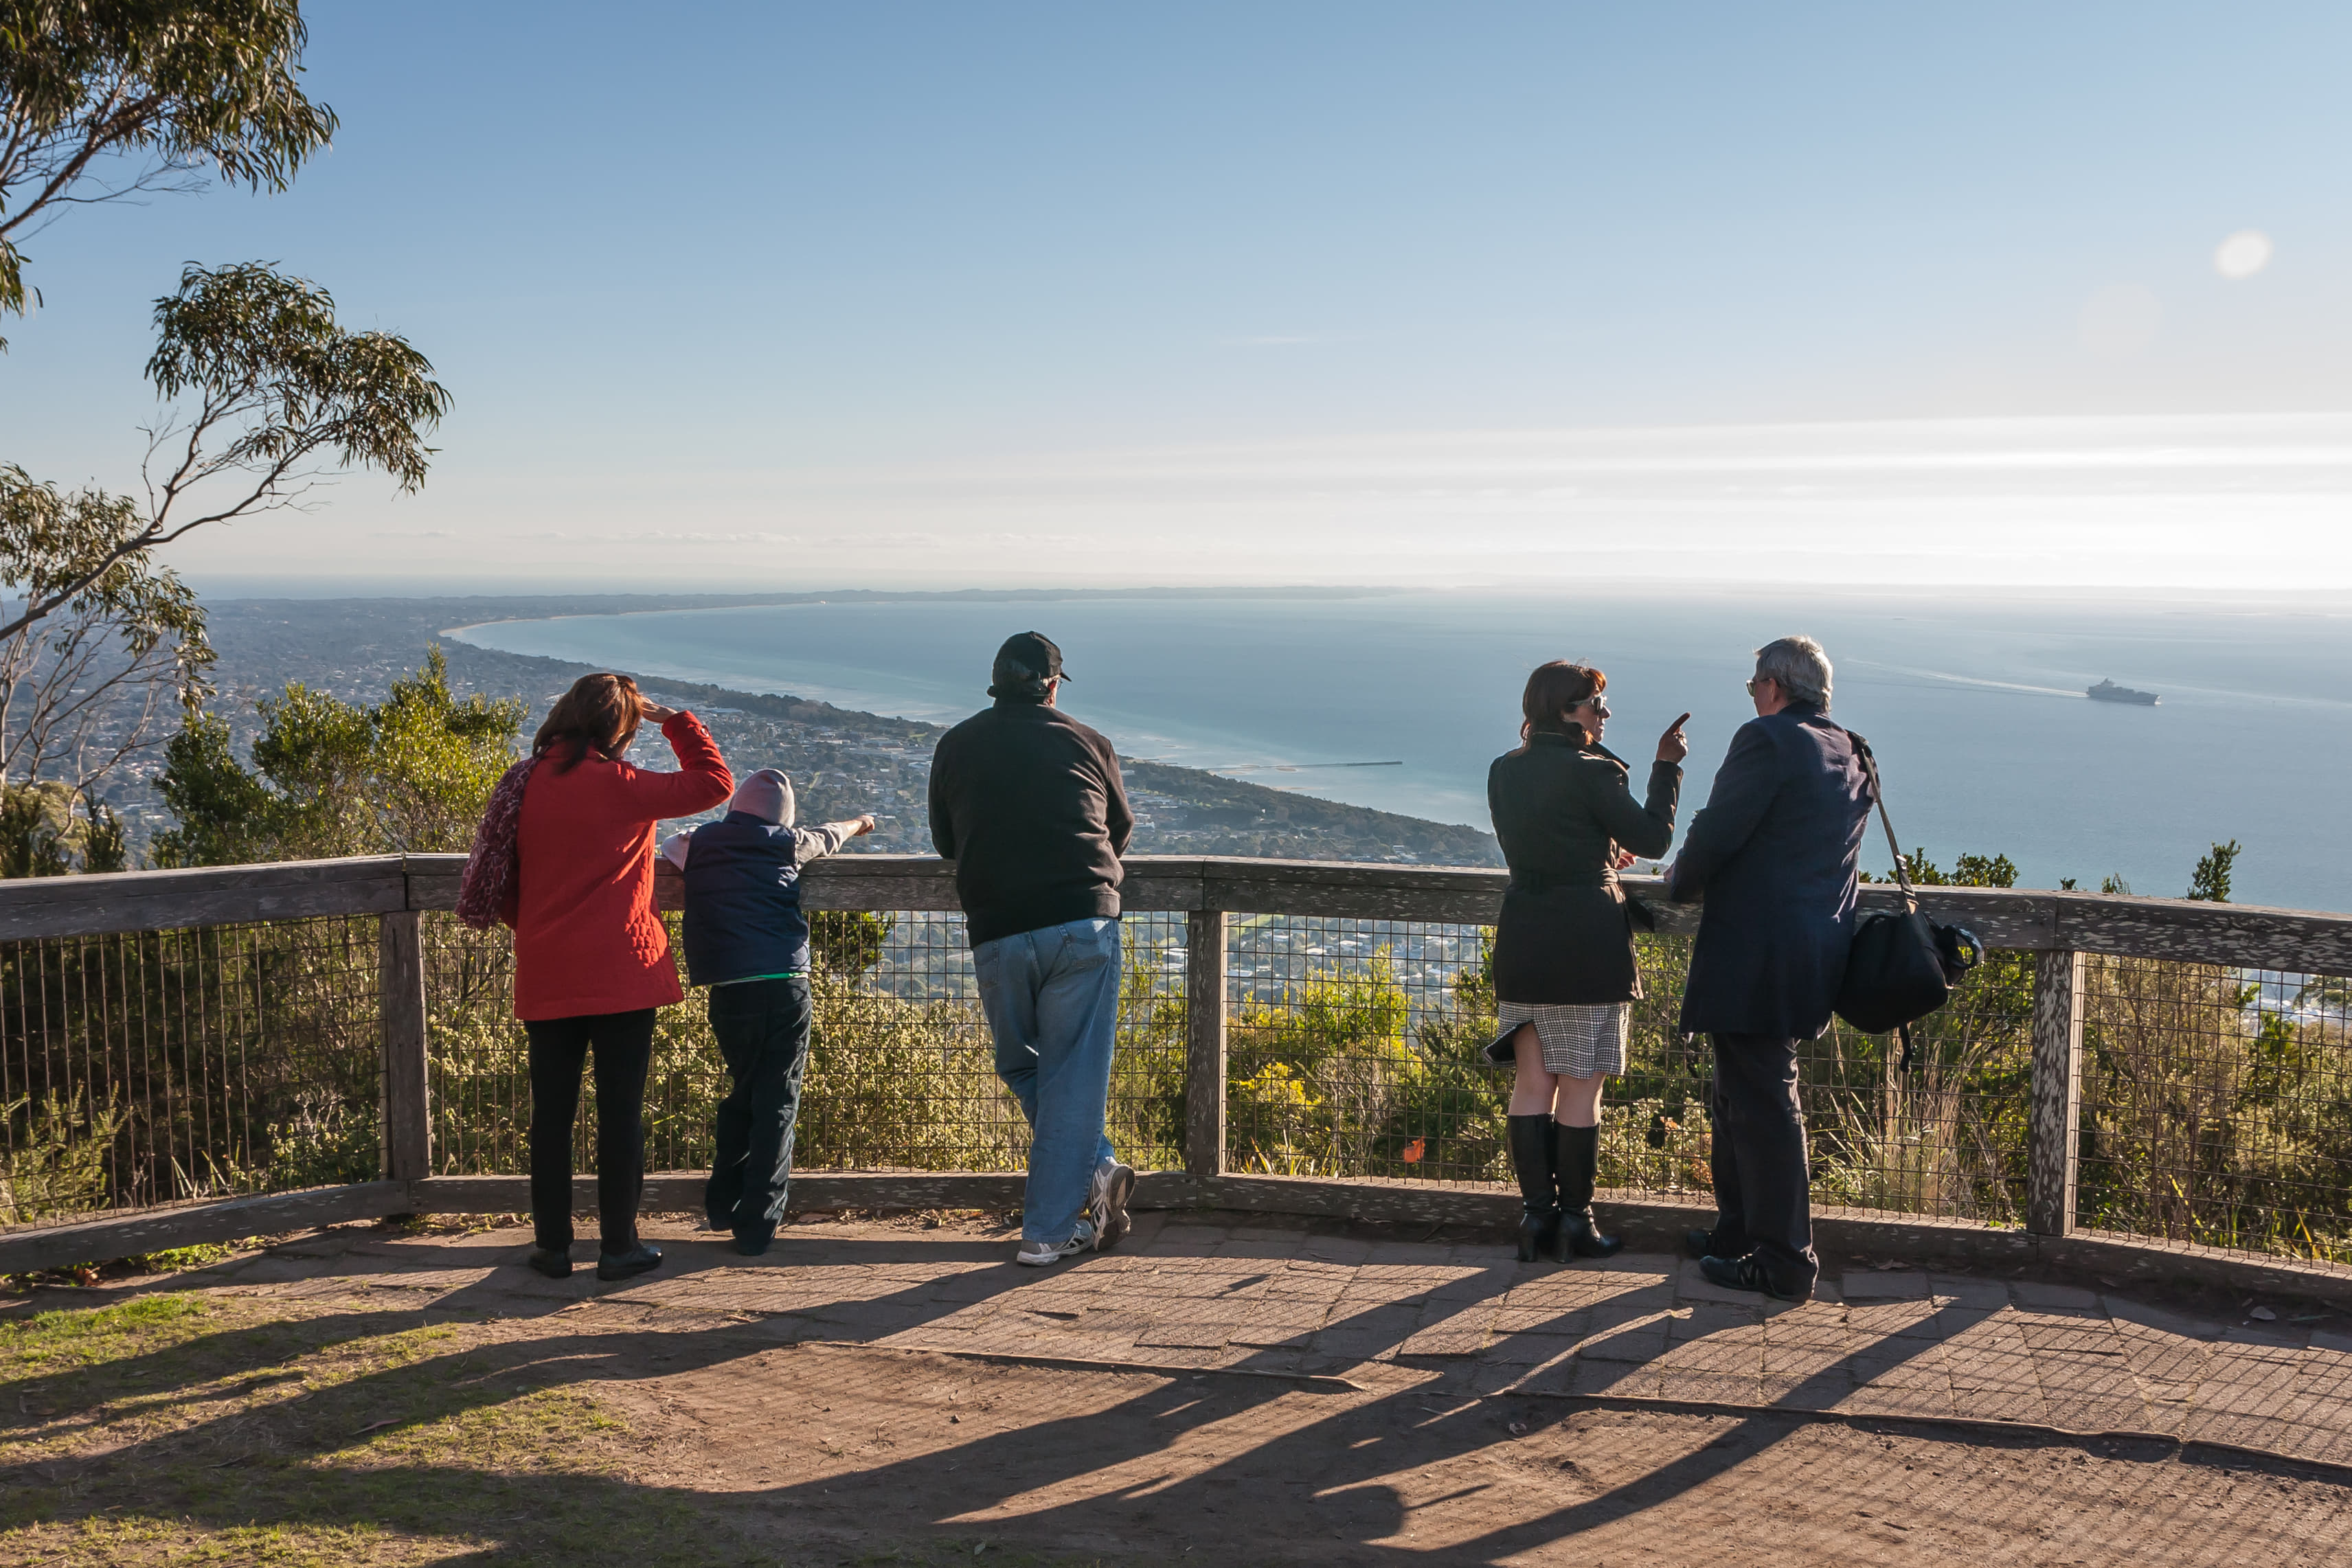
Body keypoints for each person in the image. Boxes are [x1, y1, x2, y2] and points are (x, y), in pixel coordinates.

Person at [1666, 635, 1872, 1302]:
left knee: (1763, 1102)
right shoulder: (1852, 750)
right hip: (1817, 949)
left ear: (1774, 687)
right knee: (1738, 1096)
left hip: (1756, 950)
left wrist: (1677, 884)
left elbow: (1719, 831)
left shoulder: (1766, 740)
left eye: (1754, 685)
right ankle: (1737, 1235)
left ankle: (1784, 1262)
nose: (1753, 697)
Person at [511, 674, 732, 1282]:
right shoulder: (625, 786)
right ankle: (618, 1246)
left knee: (551, 1116)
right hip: (622, 974)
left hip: (548, 969)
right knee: (620, 1113)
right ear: (621, 728)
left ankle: (552, 1247)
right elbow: (716, 783)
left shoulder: (523, 785)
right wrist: (674, 720)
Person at [928, 632, 1138, 1266]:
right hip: (1084, 921)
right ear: (1052, 685)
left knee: (1023, 1065)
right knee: (1072, 1075)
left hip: (998, 926)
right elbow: (1119, 829)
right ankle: (1049, 1229)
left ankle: (1094, 1171)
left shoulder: (956, 744)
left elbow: (945, 842)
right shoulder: (1087, 741)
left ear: (995, 683)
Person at [1487, 661, 1686, 1264]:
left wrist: (1597, 853)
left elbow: (1545, 838)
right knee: (1579, 1089)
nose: (1605, 714)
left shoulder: (1504, 769)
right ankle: (1577, 1223)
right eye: (1596, 704)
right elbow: (1654, 839)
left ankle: (1534, 1222)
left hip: (1524, 937)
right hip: (1587, 945)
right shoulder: (1598, 771)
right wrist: (1666, 766)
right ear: (1566, 710)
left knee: (1532, 1083)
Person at [661, 769, 875, 1256]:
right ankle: (757, 1225)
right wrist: (860, 821)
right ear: (783, 818)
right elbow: (829, 835)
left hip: (729, 990)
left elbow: (673, 843)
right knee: (777, 1101)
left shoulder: (703, 843)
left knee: (744, 1093)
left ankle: (721, 1203)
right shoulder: (788, 843)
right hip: (784, 986)